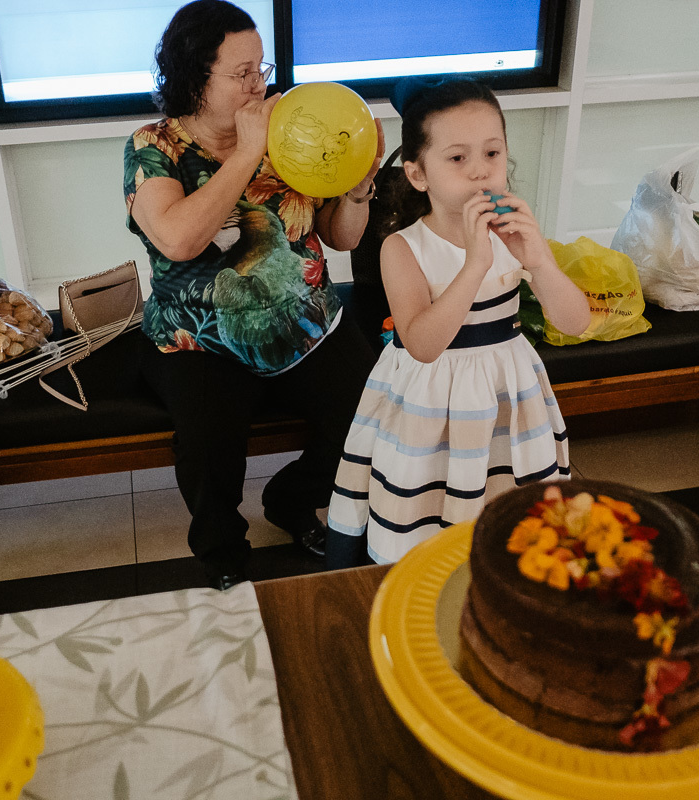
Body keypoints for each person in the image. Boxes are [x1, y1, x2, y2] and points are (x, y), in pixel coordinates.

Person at [123, 0, 382, 590]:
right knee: (210, 440)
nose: (258, 84)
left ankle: (292, 501)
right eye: (241, 74)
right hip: (201, 334)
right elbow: (182, 240)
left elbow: (338, 237)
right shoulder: (154, 146)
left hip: (305, 317)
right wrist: (246, 150)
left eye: (260, 69)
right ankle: (222, 553)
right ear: (193, 76)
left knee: (372, 415)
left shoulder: (292, 131)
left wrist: (358, 187)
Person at [325, 77, 591, 567]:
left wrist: (541, 262)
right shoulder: (402, 247)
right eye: (457, 158)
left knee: (507, 508)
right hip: (430, 402)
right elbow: (422, 344)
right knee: (427, 510)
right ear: (418, 174)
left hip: (507, 394)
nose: (479, 173)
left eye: (492, 154)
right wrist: (475, 263)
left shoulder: (514, 232)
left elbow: (575, 322)